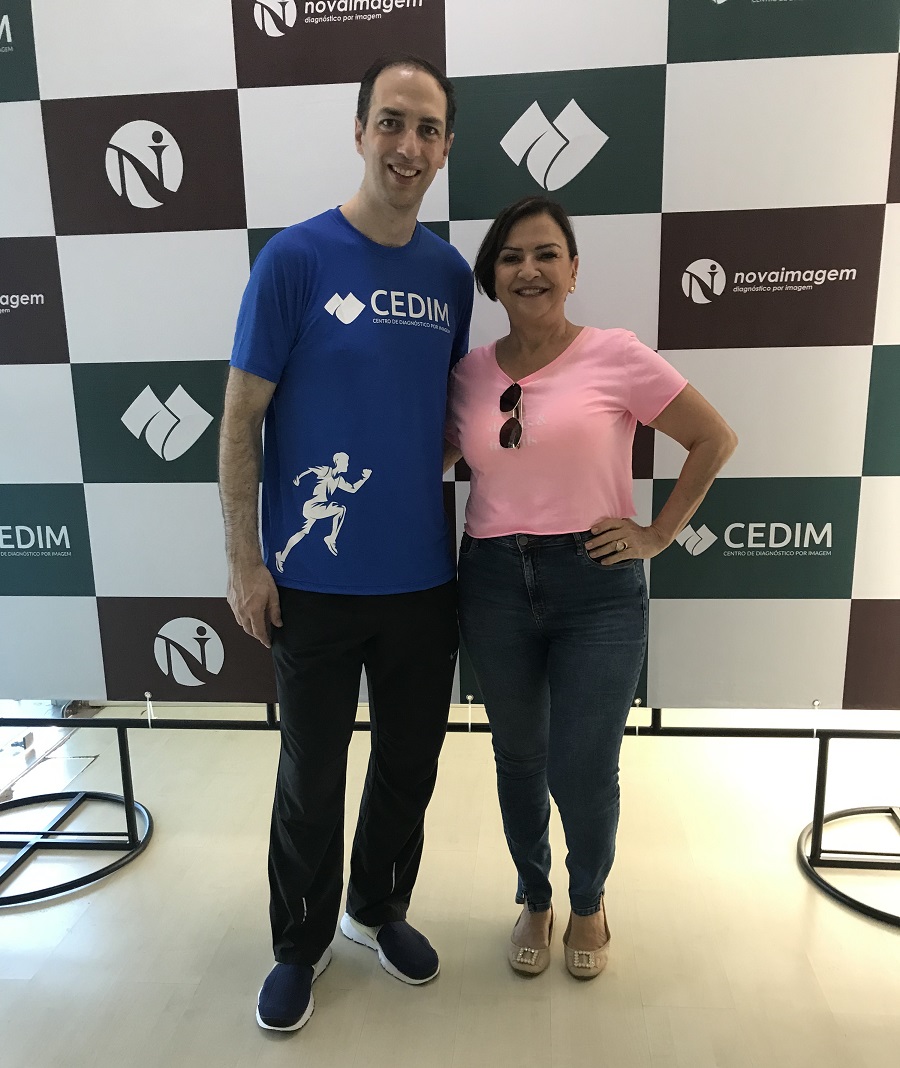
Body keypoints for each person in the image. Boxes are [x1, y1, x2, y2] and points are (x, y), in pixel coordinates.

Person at [219, 54, 473, 1032]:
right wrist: (246, 561)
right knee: (310, 775)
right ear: (361, 131)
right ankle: (300, 942)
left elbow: (445, 413)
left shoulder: (450, 276)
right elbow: (240, 420)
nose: (407, 145)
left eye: (427, 129)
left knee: (409, 766)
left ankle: (376, 907)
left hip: (424, 582)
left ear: (444, 149)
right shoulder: (295, 259)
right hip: (313, 584)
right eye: (391, 122)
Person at [445, 195, 736, 979]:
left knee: (582, 764)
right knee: (518, 757)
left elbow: (713, 437)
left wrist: (657, 533)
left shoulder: (616, 354)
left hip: (596, 587)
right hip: (493, 583)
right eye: (511, 257)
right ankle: (534, 897)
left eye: (546, 254)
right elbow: (430, 460)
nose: (529, 269)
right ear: (492, 276)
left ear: (573, 270)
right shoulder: (469, 375)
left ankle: (588, 901)